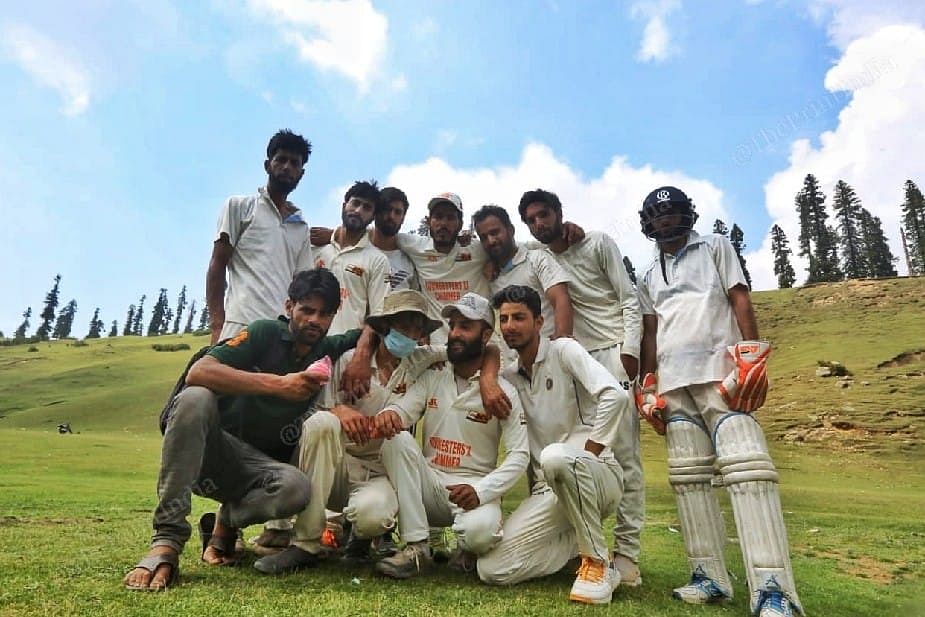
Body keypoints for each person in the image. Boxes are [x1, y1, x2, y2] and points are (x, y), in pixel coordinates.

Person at [123, 269, 365, 591]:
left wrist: (363, 353)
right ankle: (166, 541)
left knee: (297, 488)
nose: (314, 320)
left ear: (333, 316)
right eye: (306, 309)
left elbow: (368, 331)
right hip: (212, 453)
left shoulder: (326, 349)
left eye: (324, 313)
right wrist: (278, 385)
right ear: (289, 305)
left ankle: (225, 522)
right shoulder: (265, 333)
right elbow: (200, 371)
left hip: (259, 473)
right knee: (196, 397)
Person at [635, 186, 804, 617]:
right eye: (658, 215)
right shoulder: (648, 271)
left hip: (720, 372)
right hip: (673, 383)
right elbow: (651, 331)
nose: (666, 220)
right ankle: (708, 577)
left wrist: (750, 352)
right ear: (648, 223)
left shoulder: (715, 245)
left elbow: (738, 297)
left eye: (672, 212)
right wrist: (647, 382)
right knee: (688, 479)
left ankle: (774, 590)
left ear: (686, 215)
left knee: (749, 471)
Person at [518, 188, 645, 586]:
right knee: (566, 450)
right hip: (571, 363)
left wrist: (630, 352)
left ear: (559, 213)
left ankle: (627, 555)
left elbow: (629, 299)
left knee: (623, 454)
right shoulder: (539, 256)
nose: (539, 224)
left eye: (544, 215)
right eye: (531, 219)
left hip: (608, 353)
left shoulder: (597, 243)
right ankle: (580, 548)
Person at [478, 285, 630, 605]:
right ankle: (575, 549)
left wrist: (590, 453)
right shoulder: (510, 376)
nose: (509, 326)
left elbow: (614, 395)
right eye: (503, 319)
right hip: (551, 487)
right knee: (491, 569)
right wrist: (487, 379)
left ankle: (598, 565)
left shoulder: (564, 350)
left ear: (539, 321)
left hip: (598, 474)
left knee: (558, 456)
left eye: (519, 317)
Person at [372, 293, 529, 579]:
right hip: (430, 485)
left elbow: (520, 455)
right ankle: (418, 547)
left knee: (479, 534)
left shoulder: (503, 391)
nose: (455, 333)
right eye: (453, 325)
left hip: (474, 486)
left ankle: (467, 549)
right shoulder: (434, 374)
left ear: (485, 336)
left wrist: (482, 491)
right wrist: (392, 413)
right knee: (396, 437)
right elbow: (404, 409)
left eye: (465, 327)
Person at [206, 129, 314, 344]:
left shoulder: (301, 227)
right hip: (239, 327)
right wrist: (218, 325)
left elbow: (302, 285)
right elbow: (217, 265)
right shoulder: (240, 207)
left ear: (301, 174)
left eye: (294, 163)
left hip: (281, 334)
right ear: (267, 165)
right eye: (281, 159)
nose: (287, 167)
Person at [472, 204, 574, 342]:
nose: (490, 240)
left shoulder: (536, 259)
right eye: (483, 237)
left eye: (495, 232)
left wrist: (562, 343)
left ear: (511, 230)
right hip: (514, 361)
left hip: (549, 354)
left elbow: (560, 298)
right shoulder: (490, 274)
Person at [313, 180, 391, 335]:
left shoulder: (377, 260)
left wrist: (362, 352)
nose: (358, 210)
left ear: (373, 217)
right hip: (307, 347)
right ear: (344, 206)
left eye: (366, 208)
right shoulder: (317, 249)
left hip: (346, 349)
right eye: (355, 203)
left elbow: (379, 314)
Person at [373, 186, 419, 291]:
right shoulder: (359, 250)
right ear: (375, 212)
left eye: (397, 212)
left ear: (403, 218)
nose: (391, 216)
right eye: (387, 210)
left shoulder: (410, 261)